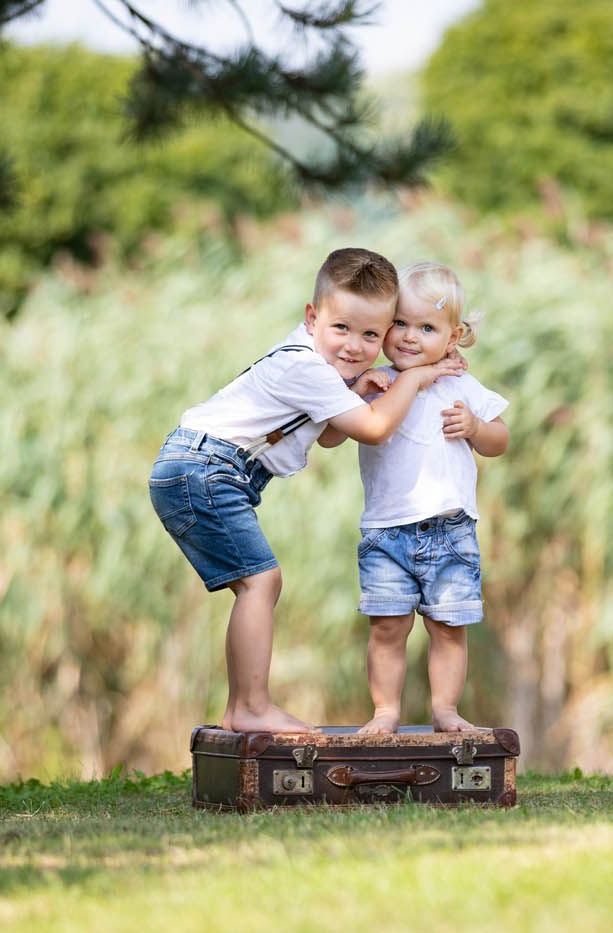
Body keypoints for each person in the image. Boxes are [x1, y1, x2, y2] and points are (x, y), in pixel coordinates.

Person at [148, 248, 464, 735]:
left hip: (199, 467)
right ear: (312, 316)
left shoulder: (318, 367)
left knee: (257, 584)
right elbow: (376, 430)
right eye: (342, 328)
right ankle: (249, 707)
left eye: (371, 335)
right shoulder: (305, 368)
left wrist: (359, 393)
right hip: (205, 467)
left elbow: (335, 433)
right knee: (261, 583)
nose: (355, 347)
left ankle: (243, 706)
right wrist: (416, 377)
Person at [319, 261, 510, 734]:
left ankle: (445, 709)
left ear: (454, 338)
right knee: (387, 628)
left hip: (450, 530)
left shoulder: (462, 385)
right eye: (399, 323)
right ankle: (385, 711)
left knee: (448, 627)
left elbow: (501, 439)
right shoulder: (378, 385)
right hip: (387, 530)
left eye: (426, 327)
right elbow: (328, 438)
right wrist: (358, 391)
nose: (408, 336)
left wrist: (477, 428)